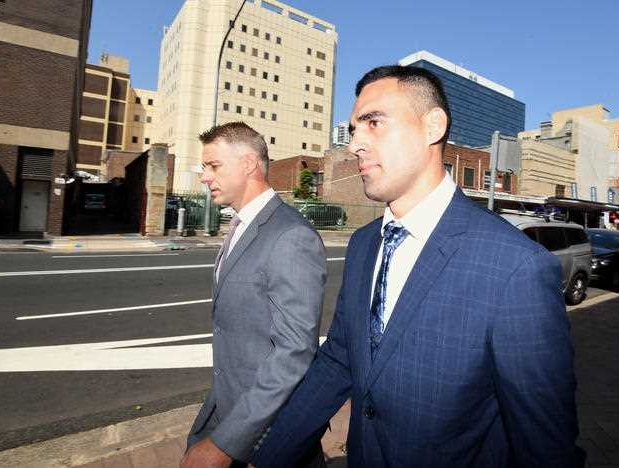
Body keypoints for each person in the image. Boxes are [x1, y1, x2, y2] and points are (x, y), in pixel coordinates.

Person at [252, 66, 583, 467]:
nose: (355, 143)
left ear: (433, 126)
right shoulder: (363, 245)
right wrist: (268, 456)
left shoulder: (516, 266)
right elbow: (340, 356)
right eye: (354, 129)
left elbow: (545, 444)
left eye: (374, 123)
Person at [180, 122, 327, 468]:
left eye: (213, 166)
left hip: (268, 433)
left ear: (248, 164)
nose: (204, 177)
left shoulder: (290, 236)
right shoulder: (241, 226)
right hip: (225, 410)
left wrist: (225, 444)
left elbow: (294, 353)